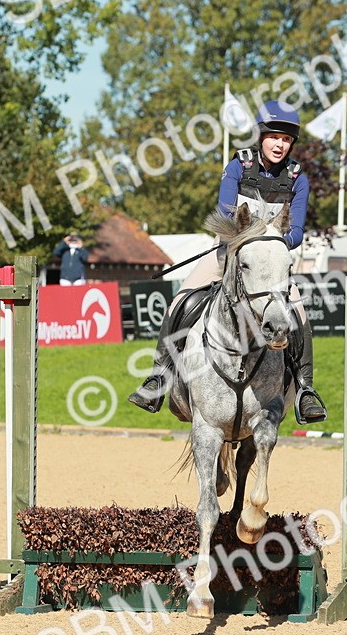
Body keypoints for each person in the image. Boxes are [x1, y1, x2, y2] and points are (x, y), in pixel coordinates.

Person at [128, 100, 325, 424]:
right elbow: (224, 214)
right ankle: (158, 378)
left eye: (287, 140)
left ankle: (305, 390)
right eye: (274, 137)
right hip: (228, 253)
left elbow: (298, 231)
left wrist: (271, 244)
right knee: (179, 301)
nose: (280, 144)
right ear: (261, 136)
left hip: (271, 265)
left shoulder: (297, 178)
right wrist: (245, 240)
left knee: (299, 317)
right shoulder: (239, 166)